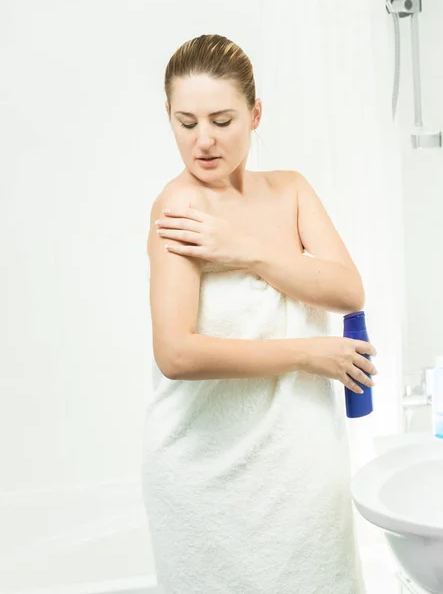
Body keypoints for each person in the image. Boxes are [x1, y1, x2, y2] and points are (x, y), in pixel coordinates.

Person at [142, 33, 377, 594]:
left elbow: (347, 290)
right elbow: (175, 353)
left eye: (222, 120)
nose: (203, 141)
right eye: (186, 121)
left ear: (256, 114)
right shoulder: (180, 207)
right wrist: (308, 354)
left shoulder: (292, 191)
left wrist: (243, 249)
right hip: (208, 470)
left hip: (302, 462)